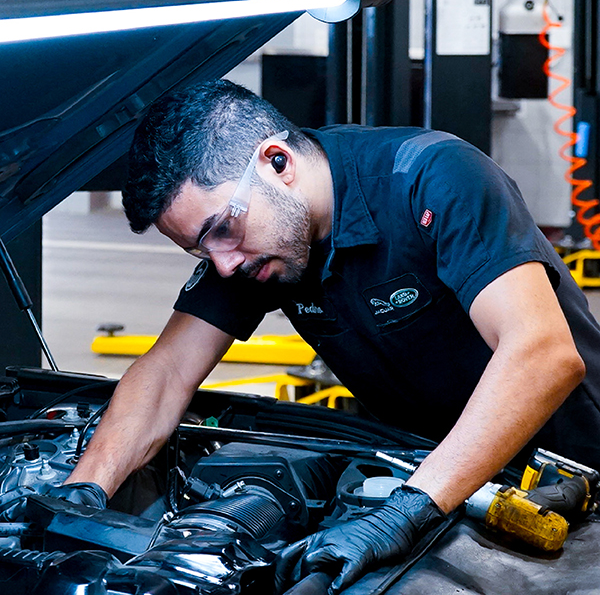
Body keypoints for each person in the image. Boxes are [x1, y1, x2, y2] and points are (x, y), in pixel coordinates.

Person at [51, 79, 600, 593]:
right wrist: (85, 492)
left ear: (277, 162)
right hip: (435, 474)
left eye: (221, 230)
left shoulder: (432, 177)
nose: (222, 265)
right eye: (200, 249)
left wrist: (407, 511)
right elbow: (167, 371)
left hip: (574, 479)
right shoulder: (258, 245)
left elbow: (543, 354)